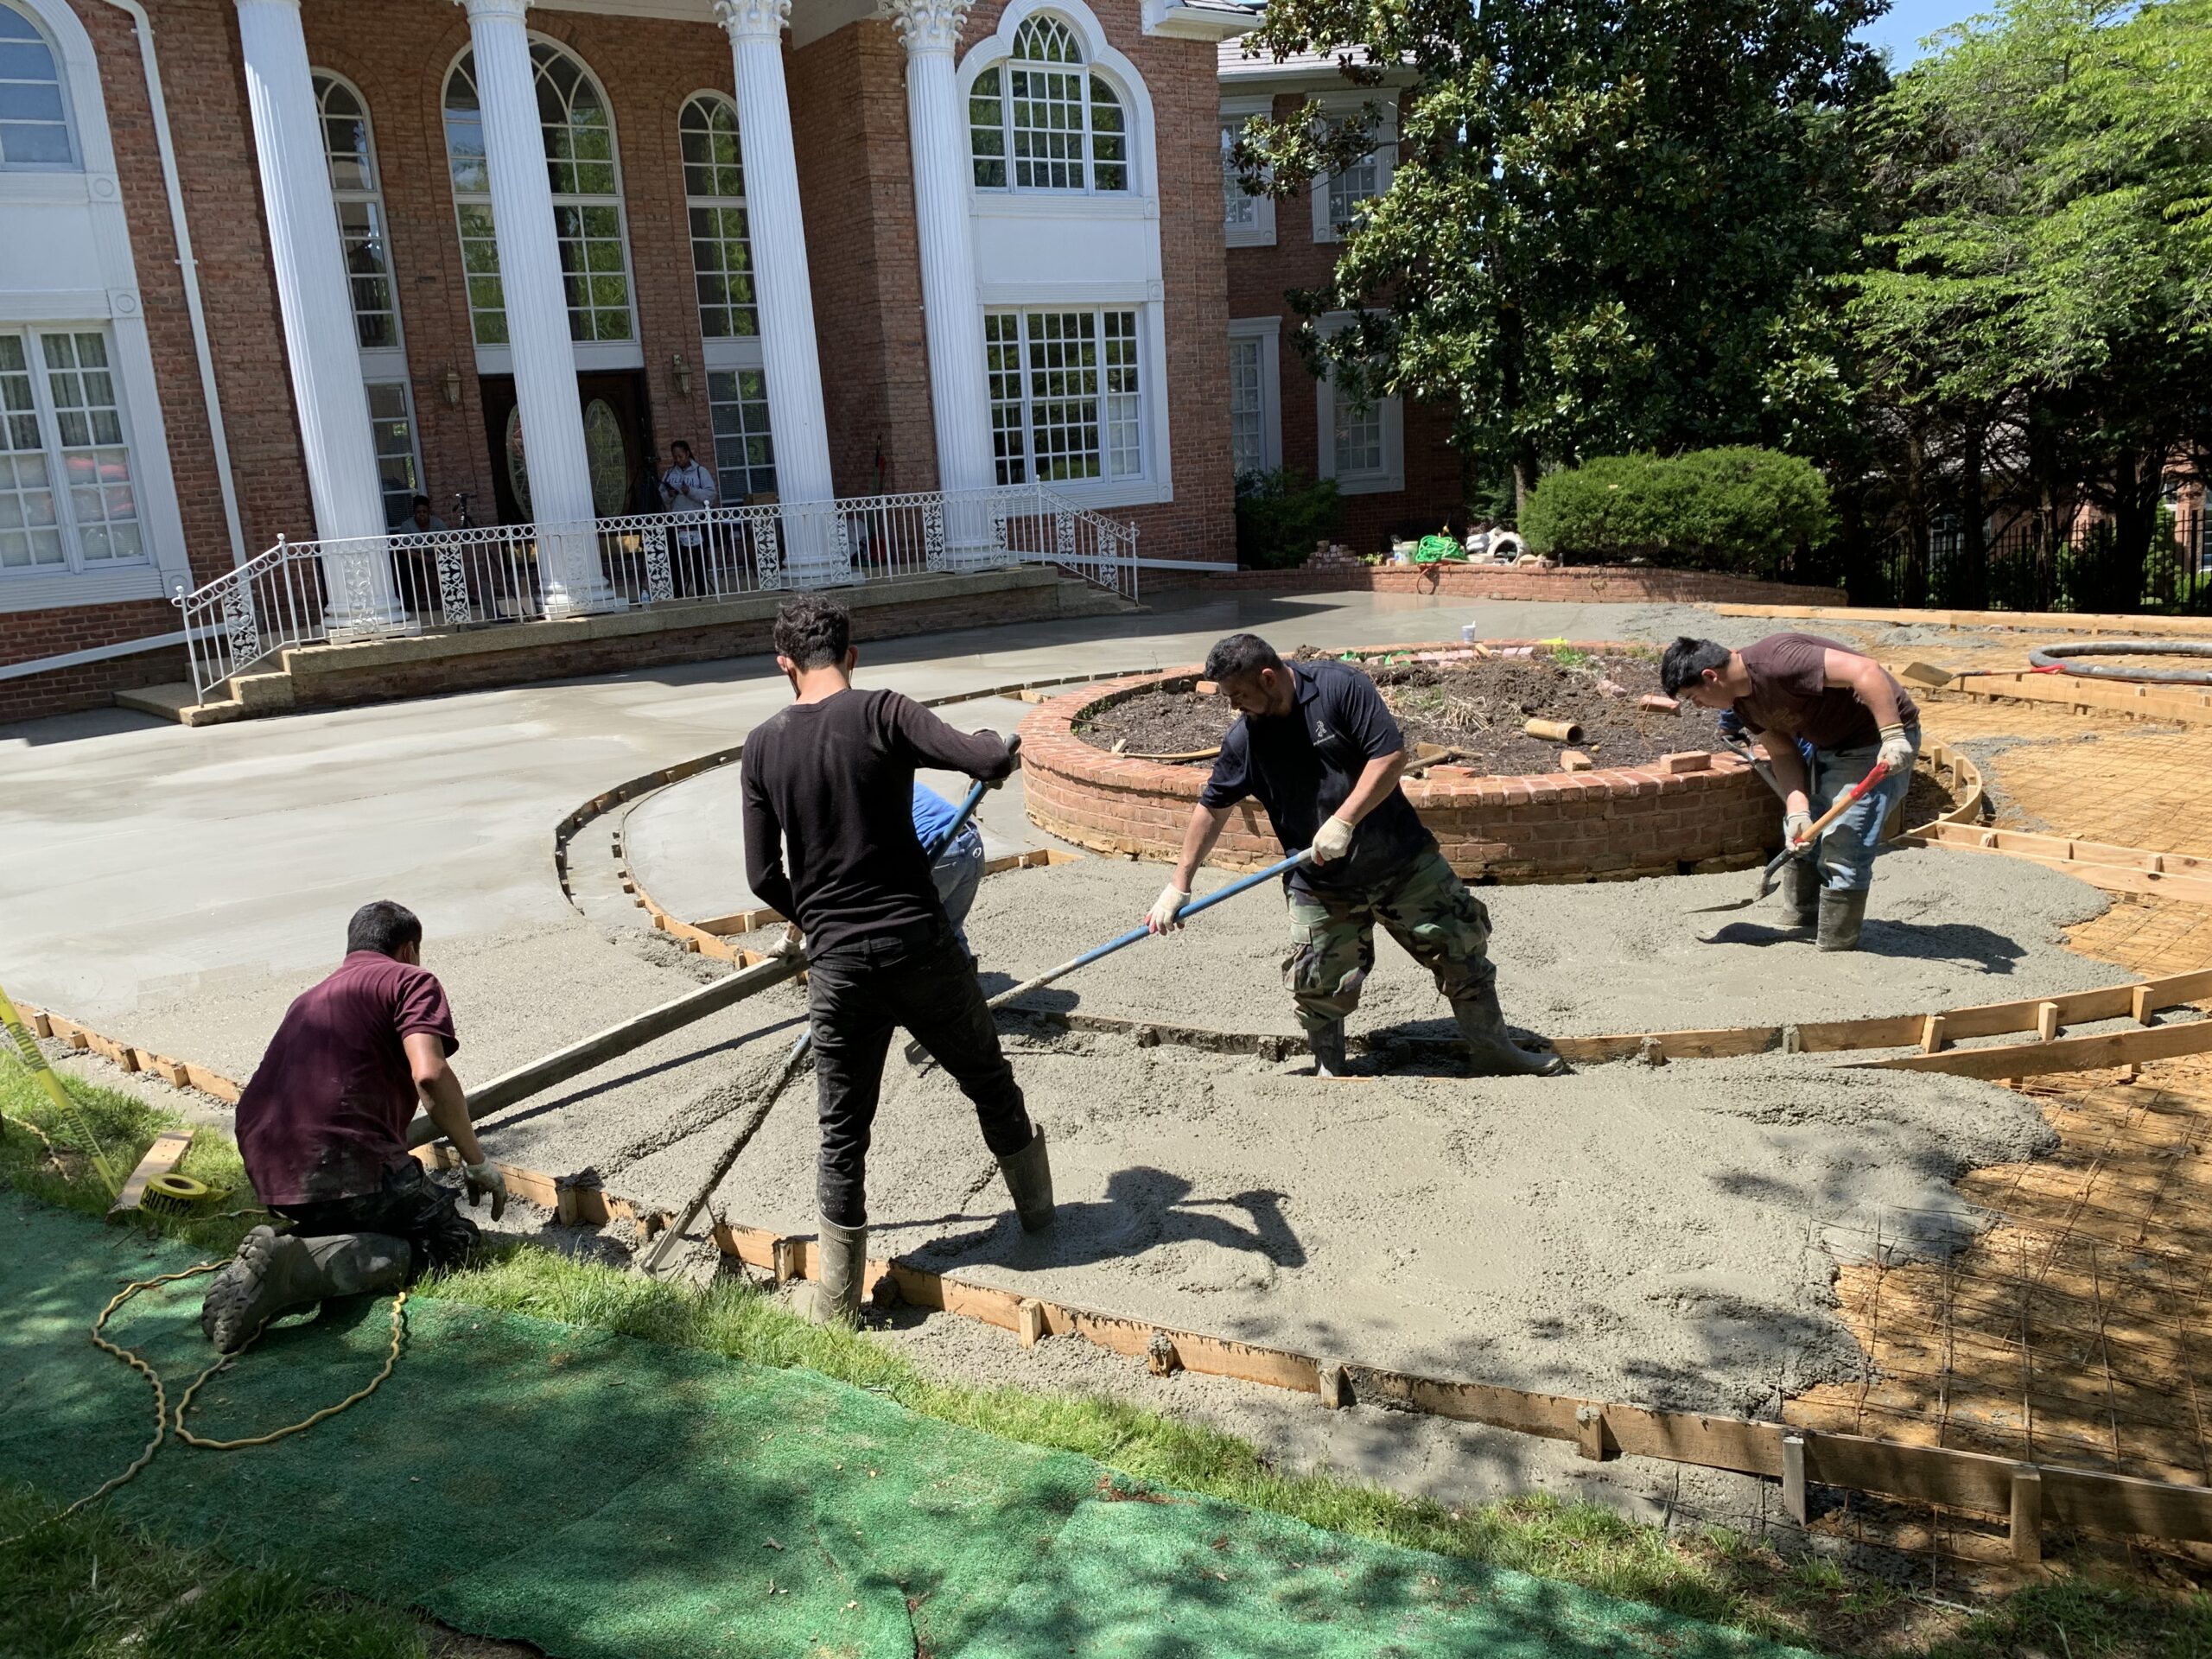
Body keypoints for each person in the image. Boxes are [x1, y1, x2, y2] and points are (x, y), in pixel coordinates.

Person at [742, 594, 1048, 1328]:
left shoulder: (762, 744)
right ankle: (1039, 1219)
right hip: (918, 944)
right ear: (851, 656)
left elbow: (761, 877)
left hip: (840, 965)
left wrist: (814, 914)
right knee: (985, 1075)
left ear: (785, 666)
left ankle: (837, 1304)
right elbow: (982, 758)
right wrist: (995, 746)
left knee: (843, 1127)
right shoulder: (884, 711)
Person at [1146, 633, 1562, 1079]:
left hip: (1402, 861)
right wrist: (1179, 884)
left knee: (1460, 945)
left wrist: (1343, 820)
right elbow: (1213, 807)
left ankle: (1495, 1051)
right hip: (1320, 883)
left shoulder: (1341, 689)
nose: (1234, 707)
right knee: (1318, 981)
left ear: (1267, 679)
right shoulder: (1246, 741)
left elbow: (1389, 756)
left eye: (1238, 695)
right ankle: (1330, 1069)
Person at [200, 901, 505, 1353]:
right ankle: (299, 1270)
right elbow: (429, 1075)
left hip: (275, 1173)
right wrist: (476, 1161)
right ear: (408, 948)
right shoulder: (410, 980)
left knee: (364, 1213)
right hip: (346, 1165)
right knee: (453, 1242)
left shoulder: (307, 999)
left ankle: (297, 1245)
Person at [1662, 633, 1921, 951]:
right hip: (1828, 743)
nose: (1698, 707)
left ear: (1710, 677)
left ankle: (1837, 942)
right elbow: (1783, 753)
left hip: (1871, 741)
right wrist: (1797, 808)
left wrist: (1893, 735)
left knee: (1845, 837)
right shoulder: (1743, 703)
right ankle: (1802, 917)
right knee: (1800, 833)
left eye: (1693, 698)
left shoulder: (1779, 661)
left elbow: (1865, 670)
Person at [913, 780, 987, 957]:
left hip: (940, 851)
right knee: (950, 927)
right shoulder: (902, 780)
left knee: (913, 930)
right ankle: (966, 978)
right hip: (971, 841)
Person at [660, 439, 715, 559]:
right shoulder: (669, 473)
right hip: (676, 522)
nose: (678, 460)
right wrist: (669, 495)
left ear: (687, 453)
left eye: (680, 456)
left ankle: (700, 578)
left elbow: (711, 494)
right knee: (677, 559)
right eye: (675, 457)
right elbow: (660, 497)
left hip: (697, 521)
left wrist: (690, 491)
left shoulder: (700, 471)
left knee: (699, 558)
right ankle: (680, 578)